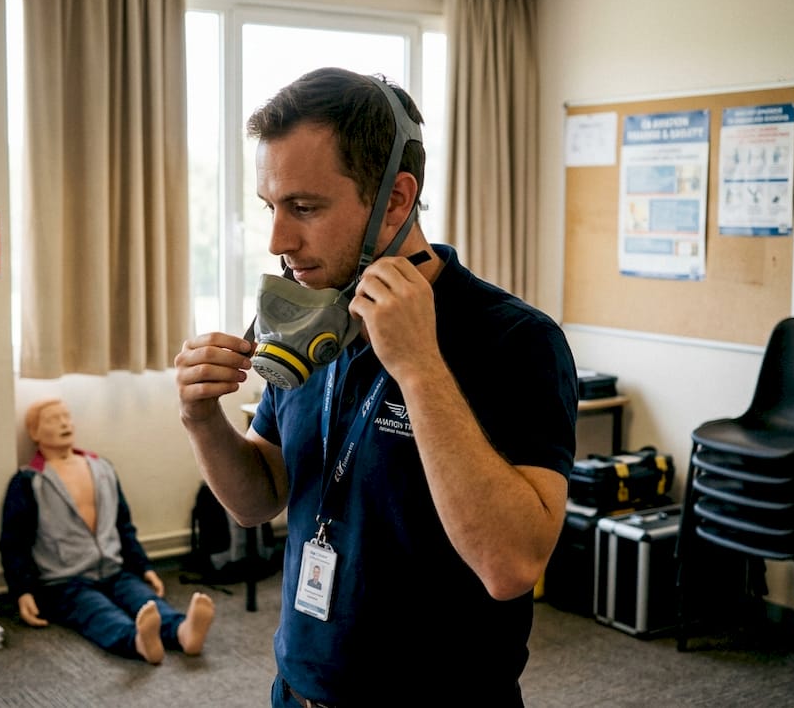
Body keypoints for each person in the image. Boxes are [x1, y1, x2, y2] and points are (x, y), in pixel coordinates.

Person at [174, 67, 577, 706]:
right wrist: (202, 420)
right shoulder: (312, 317)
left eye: (304, 207)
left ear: (395, 197)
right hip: (300, 689)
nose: (279, 240)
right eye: (271, 208)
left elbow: (512, 566)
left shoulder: (515, 339)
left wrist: (419, 369)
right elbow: (259, 499)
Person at [0, 399, 215, 664]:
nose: (64, 423)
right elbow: (14, 543)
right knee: (98, 613)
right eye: (53, 419)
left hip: (114, 569)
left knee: (144, 600)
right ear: (34, 432)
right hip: (65, 581)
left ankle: (183, 632)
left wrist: (143, 566)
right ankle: (137, 641)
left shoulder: (102, 468)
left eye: (67, 416)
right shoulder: (29, 481)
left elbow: (123, 525)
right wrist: (22, 590)